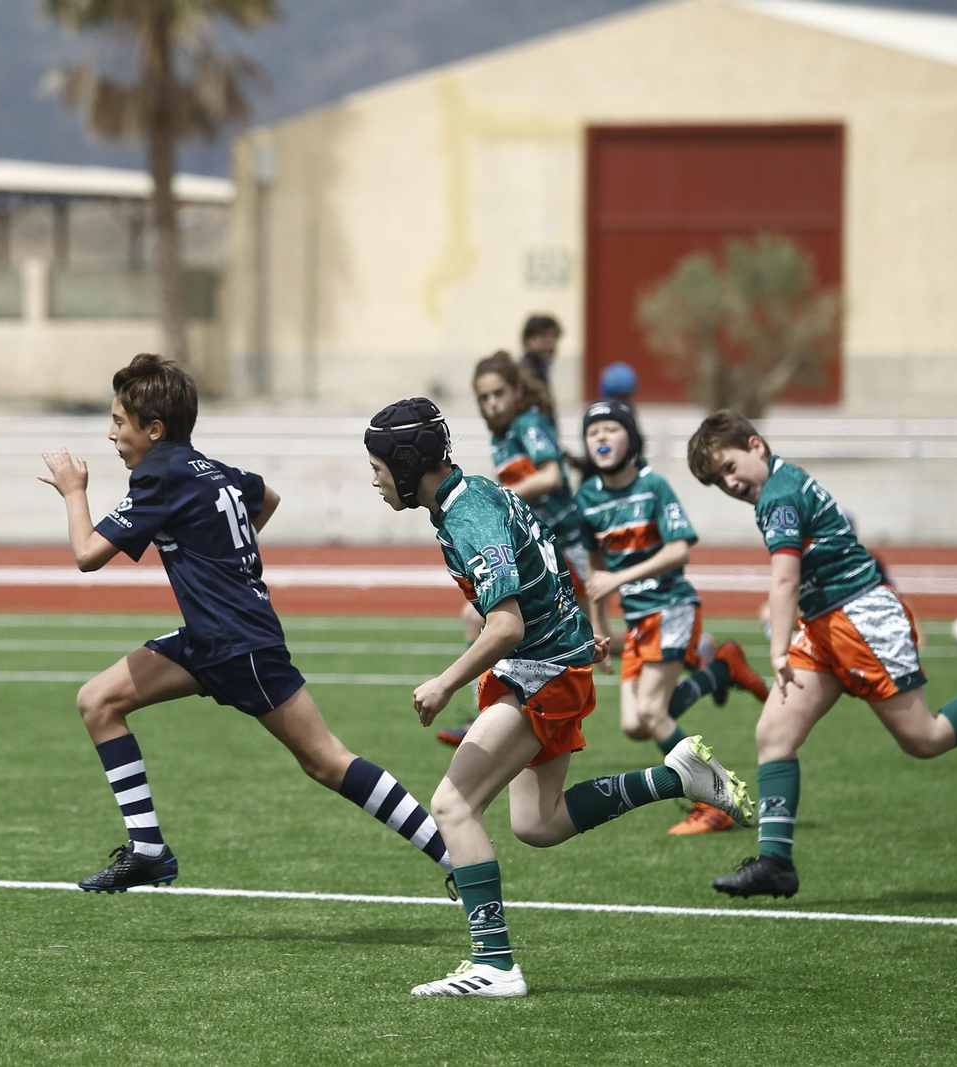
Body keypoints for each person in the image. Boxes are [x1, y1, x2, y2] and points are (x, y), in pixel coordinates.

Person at [365, 397, 753, 997]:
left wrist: (446, 683)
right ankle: (676, 778)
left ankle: (494, 963)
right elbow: (548, 561)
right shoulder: (478, 494)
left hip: (539, 672)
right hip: (552, 665)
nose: (374, 479)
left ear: (408, 462)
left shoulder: (469, 515)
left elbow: (505, 626)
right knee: (537, 824)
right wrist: (577, 630)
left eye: (379, 466)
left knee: (452, 806)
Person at [37, 353, 454, 896]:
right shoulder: (204, 466)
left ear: (153, 430)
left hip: (240, 645)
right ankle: (147, 851)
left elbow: (88, 554)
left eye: (119, 422)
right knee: (99, 701)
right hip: (210, 639)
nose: (111, 434)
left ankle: (454, 857)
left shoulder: (158, 474)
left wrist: (74, 491)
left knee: (326, 760)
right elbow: (266, 497)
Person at [687, 410, 957, 898]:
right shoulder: (779, 485)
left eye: (728, 468)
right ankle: (775, 864)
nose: (727, 484)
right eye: (716, 481)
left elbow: (785, 579)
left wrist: (776, 648)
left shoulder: (778, 495)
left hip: (857, 620)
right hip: (824, 624)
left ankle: (775, 862)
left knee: (925, 739)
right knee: (773, 733)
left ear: (755, 445)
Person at [574, 400, 769, 835]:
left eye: (611, 429)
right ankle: (720, 669)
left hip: (671, 606)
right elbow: (594, 570)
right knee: (633, 724)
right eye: (592, 432)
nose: (601, 438)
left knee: (651, 712)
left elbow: (679, 549)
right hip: (636, 619)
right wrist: (600, 629)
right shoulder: (586, 498)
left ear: (632, 438)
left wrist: (619, 576)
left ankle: (714, 799)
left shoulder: (654, 486)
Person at [439, 352, 592, 748]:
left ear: (518, 391)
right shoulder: (502, 434)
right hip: (536, 550)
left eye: (499, 394)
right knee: (480, 621)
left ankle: (701, 655)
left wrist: (500, 498)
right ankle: (489, 717)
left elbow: (553, 475)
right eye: (484, 397)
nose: (492, 404)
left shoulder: (528, 423)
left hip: (560, 546)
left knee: (593, 641)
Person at [519, 314, 562, 386]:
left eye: (554, 337)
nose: (550, 343)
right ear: (528, 340)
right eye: (543, 336)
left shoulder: (542, 367)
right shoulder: (525, 373)